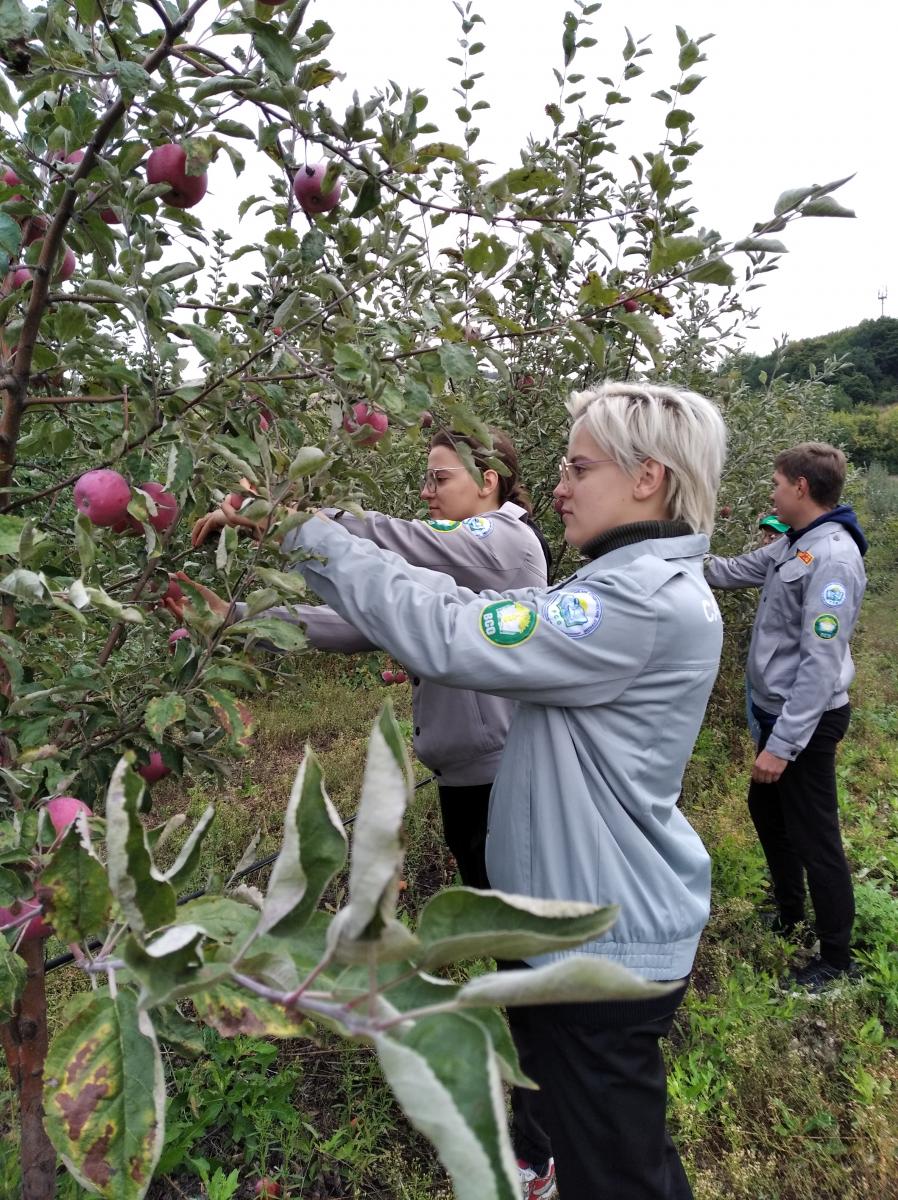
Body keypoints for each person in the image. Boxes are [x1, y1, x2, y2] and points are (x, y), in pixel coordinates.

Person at [271, 382, 727, 1200]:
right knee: (608, 1148)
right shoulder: (616, 588)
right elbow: (473, 607)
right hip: (572, 926)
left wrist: (308, 534)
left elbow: (453, 635)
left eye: (578, 467)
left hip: (599, 946)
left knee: (620, 1175)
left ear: (647, 476)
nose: (557, 486)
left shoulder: (638, 604)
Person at [186, 428, 549, 890]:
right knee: (507, 936)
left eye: (438, 478)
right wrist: (234, 620)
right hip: (466, 781)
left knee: (523, 941)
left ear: (487, 480)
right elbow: (358, 622)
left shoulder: (505, 540)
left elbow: (400, 540)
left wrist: (290, 516)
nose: (426, 492)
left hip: (504, 779)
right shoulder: (459, 561)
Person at [705, 442, 867, 991]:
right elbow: (727, 572)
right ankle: (790, 912)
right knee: (768, 811)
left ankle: (837, 958)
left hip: (807, 721)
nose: (771, 492)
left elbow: (821, 666)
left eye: (777, 482)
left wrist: (783, 745)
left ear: (801, 487)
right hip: (777, 713)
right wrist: (663, 551)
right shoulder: (793, 547)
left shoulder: (834, 558)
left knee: (815, 833)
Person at [746, 514, 791, 743]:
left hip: (785, 692)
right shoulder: (772, 561)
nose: (767, 540)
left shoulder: (810, 558)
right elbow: (733, 569)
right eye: (765, 535)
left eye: (773, 534)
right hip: (762, 681)